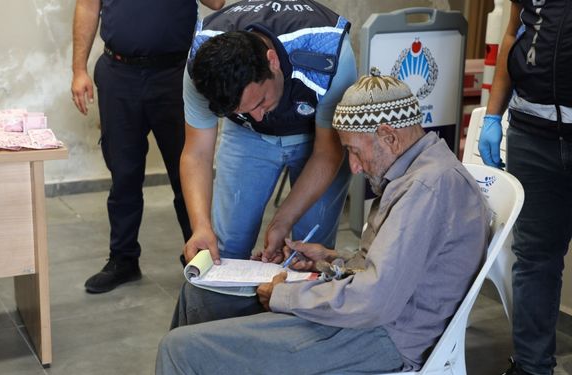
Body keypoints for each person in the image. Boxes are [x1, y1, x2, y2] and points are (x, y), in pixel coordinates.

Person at [156, 70, 491, 373]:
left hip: (381, 337)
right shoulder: (419, 174)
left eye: (355, 152)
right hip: (368, 320)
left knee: (180, 349)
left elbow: (375, 301)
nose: (355, 168)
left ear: (389, 136)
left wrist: (285, 297)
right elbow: (396, 271)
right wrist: (333, 260)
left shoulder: (426, 188)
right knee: (198, 295)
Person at [180, 0, 357, 266]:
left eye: (261, 102)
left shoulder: (329, 52)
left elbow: (327, 152)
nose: (260, 116)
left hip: (316, 137)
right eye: (241, 109)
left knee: (309, 250)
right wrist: (201, 226)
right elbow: (197, 153)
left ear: (272, 61)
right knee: (226, 247)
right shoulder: (201, 68)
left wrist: (281, 221)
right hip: (246, 137)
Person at [70, 0, 224, 294]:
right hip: (118, 73)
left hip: (175, 74)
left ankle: (199, 255)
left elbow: (217, 3)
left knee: (187, 174)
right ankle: (123, 259)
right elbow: (88, 6)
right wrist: (79, 69)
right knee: (124, 174)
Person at [478, 1, 572, 374]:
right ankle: (532, 368)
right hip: (532, 134)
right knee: (534, 259)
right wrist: (492, 114)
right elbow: (512, 31)